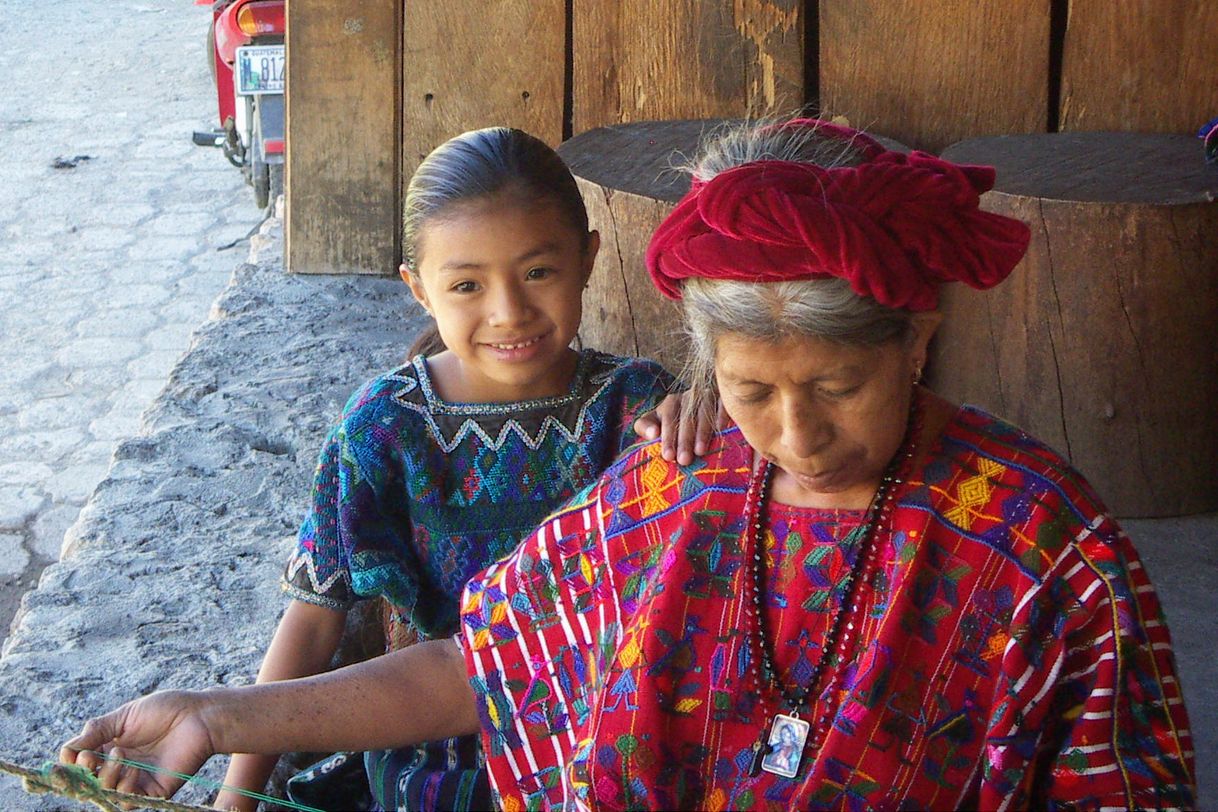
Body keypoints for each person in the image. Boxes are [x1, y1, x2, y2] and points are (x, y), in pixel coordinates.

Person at [63, 118, 1196, 810]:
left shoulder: (1043, 543)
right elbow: (487, 666)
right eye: (752, 392)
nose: (795, 436)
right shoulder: (678, 490)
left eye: (838, 388)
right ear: (707, 371)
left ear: (917, 338)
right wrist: (222, 715)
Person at [213, 126, 679, 812]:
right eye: (467, 284)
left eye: (539, 271)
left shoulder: (638, 409)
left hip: (605, 758)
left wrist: (710, 415)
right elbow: (316, 615)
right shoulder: (385, 427)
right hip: (433, 769)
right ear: (419, 289)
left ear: (588, 259)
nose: (509, 311)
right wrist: (236, 799)